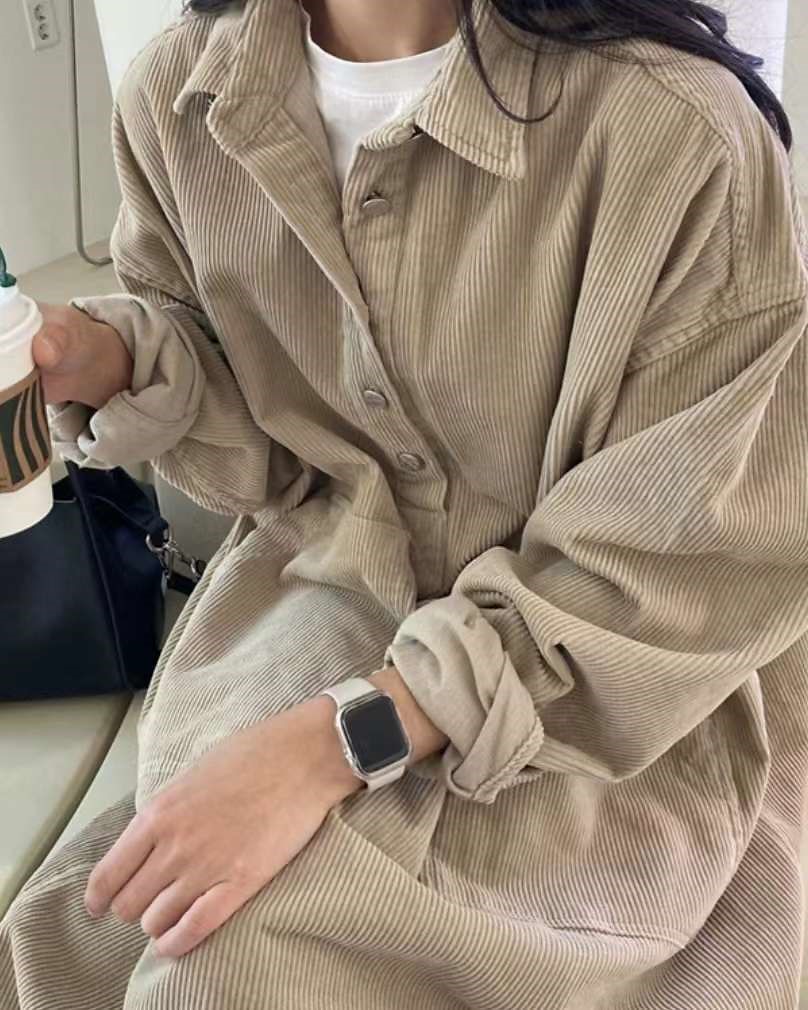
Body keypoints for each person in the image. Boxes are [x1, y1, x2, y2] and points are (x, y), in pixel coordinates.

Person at [2, 0, 807, 1006]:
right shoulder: (177, 96)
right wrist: (108, 357)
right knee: (89, 949)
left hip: (599, 695)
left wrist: (334, 742)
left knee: (225, 963)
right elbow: (268, 449)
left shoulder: (674, 129)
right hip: (317, 605)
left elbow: (684, 562)